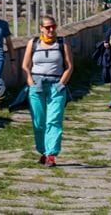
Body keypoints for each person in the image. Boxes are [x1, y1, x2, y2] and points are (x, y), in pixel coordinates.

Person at [21, 15, 73, 167]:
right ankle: (43, 150)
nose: (51, 30)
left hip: (56, 85)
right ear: (41, 28)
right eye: (48, 27)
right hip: (37, 85)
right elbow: (25, 65)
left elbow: (69, 66)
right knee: (39, 121)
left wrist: (62, 83)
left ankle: (51, 154)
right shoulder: (34, 43)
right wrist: (30, 80)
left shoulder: (62, 43)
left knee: (54, 120)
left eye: (53, 26)